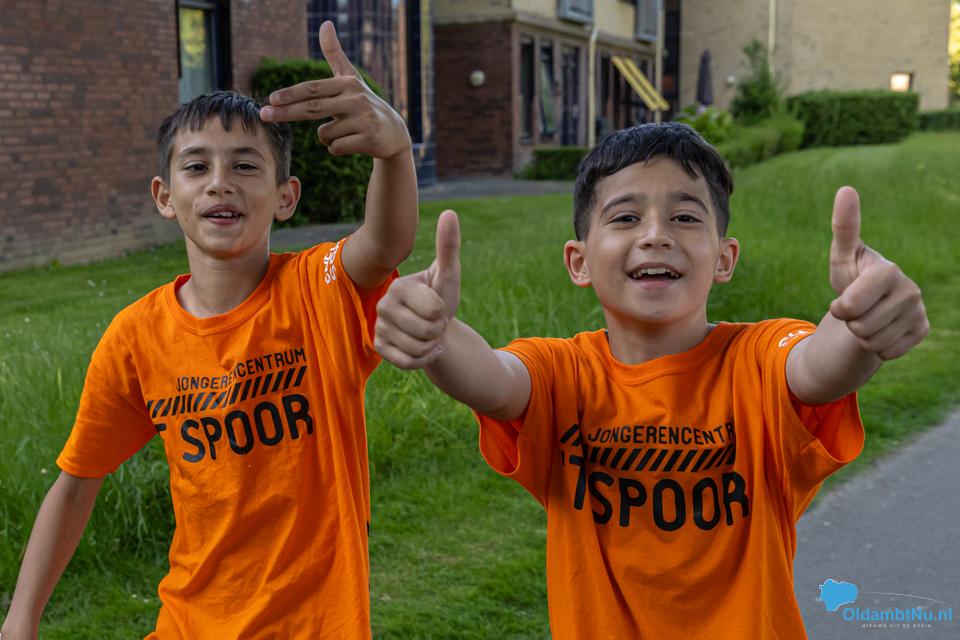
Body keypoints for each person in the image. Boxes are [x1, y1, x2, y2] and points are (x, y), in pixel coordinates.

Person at [373, 122, 929, 639]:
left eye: (685, 217)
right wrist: (436, 334)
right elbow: (492, 379)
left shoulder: (758, 359)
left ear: (725, 258)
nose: (656, 235)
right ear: (579, 261)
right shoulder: (563, 375)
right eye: (625, 218)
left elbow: (816, 368)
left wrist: (861, 324)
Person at [0, 22, 417, 640]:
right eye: (197, 166)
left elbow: (384, 245)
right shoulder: (136, 336)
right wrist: (21, 619)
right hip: (188, 623)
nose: (221, 181)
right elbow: (76, 483)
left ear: (285, 196)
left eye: (246, 165)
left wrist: (394, 152)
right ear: (166, 196)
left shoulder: (318, 289)